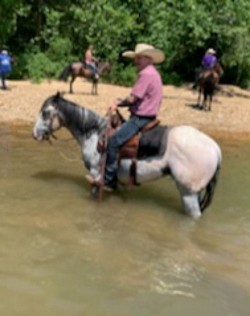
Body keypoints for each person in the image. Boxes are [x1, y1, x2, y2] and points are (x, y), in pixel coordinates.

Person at [86, 43, 165, 191]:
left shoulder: (146, 73)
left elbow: (132, 99)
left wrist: (117, 104)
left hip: (141, 118)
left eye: (139, 58)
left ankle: (109, 181)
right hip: (148, 115)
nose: (136, 61)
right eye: (136, 58)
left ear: (148, 59)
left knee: (113, 141)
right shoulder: (153, 72)